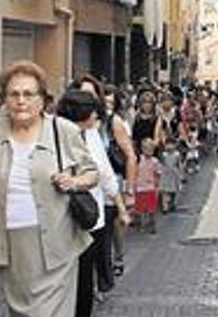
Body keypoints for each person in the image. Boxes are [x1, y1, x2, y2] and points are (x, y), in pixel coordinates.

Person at [0, 61, 99, 316]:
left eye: (28, 94)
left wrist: (73, 181)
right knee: (20, 312)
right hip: (8, 243)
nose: (21, 101)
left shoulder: (62, 130)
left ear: (42, 100)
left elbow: (92, 173)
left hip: (57, 242)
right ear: (5, 99)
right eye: (14, 94)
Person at [56, 89, 131, 316]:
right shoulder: (58, 136)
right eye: (94, 115)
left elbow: (104, 173)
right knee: (65, 280)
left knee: (83, 279)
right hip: (62, 218)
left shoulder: (90, 135)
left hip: (87, 216)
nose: (98, 120)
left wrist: (120, 206)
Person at [102, 85, 137, 278]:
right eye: (104, 101)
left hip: (115, 175)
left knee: (115, 220)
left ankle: (118, 255)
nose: (107, 106)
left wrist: (129, 188)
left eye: (110, 102)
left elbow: (130, 156)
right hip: (95, 180)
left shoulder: (116, 122)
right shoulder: (93, 122)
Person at [134, 138, 162, 233]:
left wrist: (157, 184)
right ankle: (142, 225)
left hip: (150, 187)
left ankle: (152, 224)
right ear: (142, 149)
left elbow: (158, 173)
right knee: (141, 209)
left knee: (151, 209)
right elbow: (134, 171)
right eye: (146, 149)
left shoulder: (155, 161)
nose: (149, 151)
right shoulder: (138, 159)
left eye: (151, 149)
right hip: (139, 187)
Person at [159, 138, 182, 213]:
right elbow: (161, 163)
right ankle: (165, 207)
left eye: (171, 144)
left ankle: (172, 204)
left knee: (174, 191)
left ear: (175, 145)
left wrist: (181, 174)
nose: (169, 146)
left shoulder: (177, 154)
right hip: (165, 174)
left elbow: (179, 164)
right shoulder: (164, 154)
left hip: (174, 174)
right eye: (167, 144)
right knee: (165, 191)